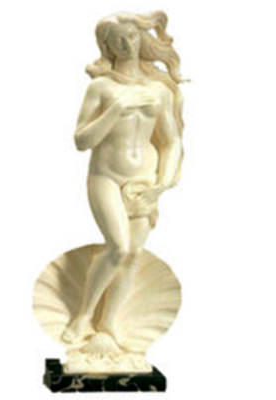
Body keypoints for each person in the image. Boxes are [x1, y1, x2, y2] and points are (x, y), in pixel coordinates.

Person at [62, 11, 186, 345]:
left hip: (143, 181)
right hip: (105, 177)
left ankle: (108, 323)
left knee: (132, 254)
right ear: (107, 47)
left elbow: (171, 142)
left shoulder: (159, 90)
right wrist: (115, 108)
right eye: (117, 40)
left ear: (142, 38)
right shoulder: (101, 88)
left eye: (132, 36)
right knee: (118, 247)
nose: (127, 45)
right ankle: (83, 316)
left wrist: (162, 185)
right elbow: (81, 141)